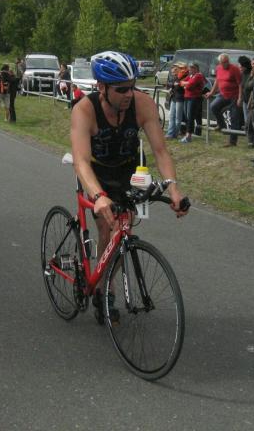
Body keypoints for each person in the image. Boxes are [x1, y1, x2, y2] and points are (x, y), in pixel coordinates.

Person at [71, 51, 188, 320]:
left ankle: (105, 282)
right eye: (121, 89)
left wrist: (173, 188)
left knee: (123, 229)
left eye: (132, 86)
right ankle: (104, 289)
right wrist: (98, 196)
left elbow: (161, 151)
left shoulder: (142, 104)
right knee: (106, 226)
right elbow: (81, 162)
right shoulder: (85, 110)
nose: (128, 94)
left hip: (127, 170)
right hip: (96, 172)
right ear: (101, 87)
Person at [206, 53, 242, 135]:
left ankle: (233, 139)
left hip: (234, 96)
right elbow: (217, 81)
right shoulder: (218, 68)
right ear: (220, 62)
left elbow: (240, 84)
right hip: (222, 94)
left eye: (227, 61)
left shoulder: (235, 69)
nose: (225, 63)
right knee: (213, 106)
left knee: (234, 117)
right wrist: (211, 92)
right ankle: (221, 124)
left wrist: (240, 98)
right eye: (223, 62)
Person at [226, 56, 253, 147]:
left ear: (245, 66)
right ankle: (250, 140)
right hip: (245, 101)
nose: (239, 66)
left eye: (240, 65)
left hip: (251, 101)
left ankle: (253, 140)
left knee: (251, 121)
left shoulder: (251, 74)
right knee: (247, 121)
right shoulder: (242, 74)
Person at [179, 62, 205, 143]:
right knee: (187, 116)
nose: (189, 70)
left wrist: (186, 85)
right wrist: (186, 84)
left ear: (196, 69)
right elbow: (181, 82)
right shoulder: (190, 76)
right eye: (189, 68)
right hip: (187, 97)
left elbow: (190, 85)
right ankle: (188, 133)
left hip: (194, 98)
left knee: (190, 116)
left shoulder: (198, 76)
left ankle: (188, 136)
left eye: (191, 68)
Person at [164, 62, 187, 139]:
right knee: (171, 116)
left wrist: (177, 85)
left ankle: (175, 134)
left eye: (177, 68)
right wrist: (172, 86)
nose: (175, 69)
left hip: (180, 99)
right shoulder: (176, 77)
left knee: (178, 118)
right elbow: (169, 84)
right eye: (175, 68)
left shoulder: (184, 77)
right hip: (174, 98)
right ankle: (170, 133)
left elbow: (182, 86)